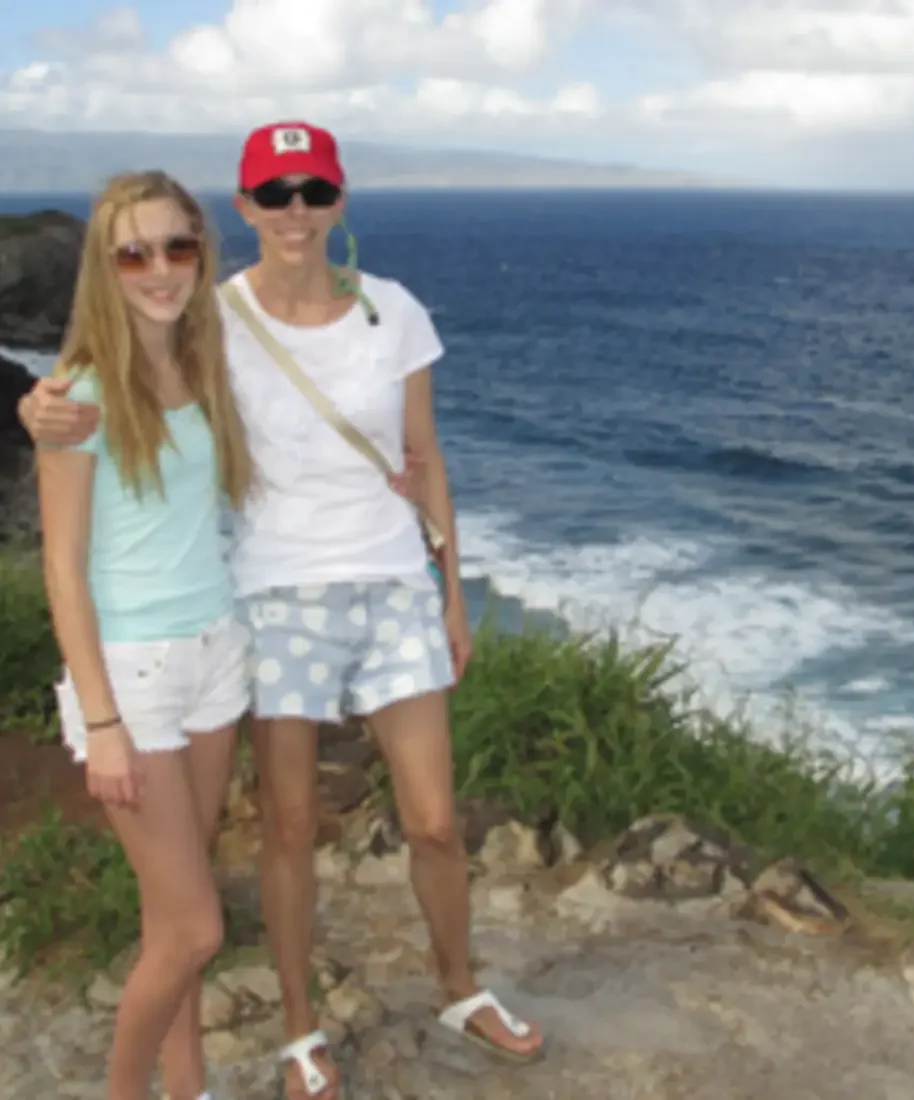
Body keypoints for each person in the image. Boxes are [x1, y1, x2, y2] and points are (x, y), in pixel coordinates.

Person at [20, 121, 544, 1100]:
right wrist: (37, 407)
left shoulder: (388, 313)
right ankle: (295, 1031)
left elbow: (424, 459)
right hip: (263, 593)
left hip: (366, 587)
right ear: (247, 207)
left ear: (338, 200)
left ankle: (457, 985)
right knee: (284, 825)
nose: (295, 210)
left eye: (312, 190)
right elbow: (104, 372)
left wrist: (449, 587)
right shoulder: (214, 319)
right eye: (274, 192)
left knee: (433, 819)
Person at [35, 170, 254, 1100]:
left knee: (179, 906)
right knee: (196, 929)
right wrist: (103, 721)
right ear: (106, 266)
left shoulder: (205, 360)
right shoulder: (79, 393)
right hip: (132, 676)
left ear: (201, 253)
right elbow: (62, 568)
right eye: (134, 252)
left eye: (177, 246)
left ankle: (187, 1084)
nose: (159, 269)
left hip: (215, 653)